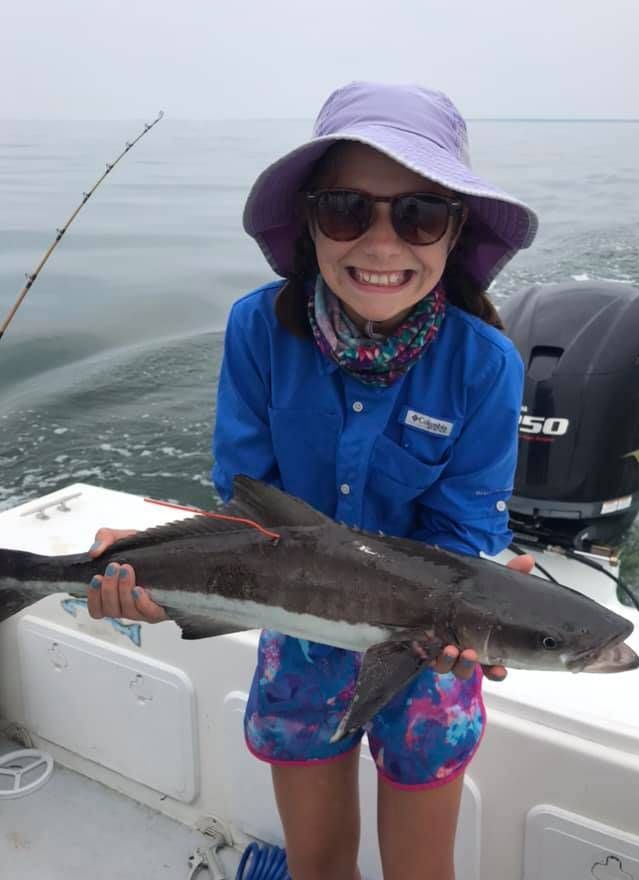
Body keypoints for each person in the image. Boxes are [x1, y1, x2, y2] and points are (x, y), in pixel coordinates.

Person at [87, 81, 538, 880]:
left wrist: (476, 608)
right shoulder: (258, 329)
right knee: (318, 864)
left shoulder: (485, 364)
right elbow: (248, 499)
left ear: (454, 229)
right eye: (346, 210)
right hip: (298, 637)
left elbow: (463, 534)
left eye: (419, 214)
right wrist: (162, 556)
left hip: (438, 655)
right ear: (307, 222)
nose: (382, 242)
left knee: (420, 871)